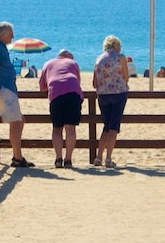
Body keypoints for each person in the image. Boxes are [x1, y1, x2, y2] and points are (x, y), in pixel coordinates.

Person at [0, 22, 32, 167]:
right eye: (11, 34)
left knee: (20, 120)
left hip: (7, 89)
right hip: (4, 89)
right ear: (3, 34)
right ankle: (17, 158)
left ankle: (17, 156)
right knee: (16, 122)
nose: (13, 37)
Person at [92, 36, 133, 168]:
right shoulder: (120, 57)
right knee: (114, 126)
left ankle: (98, 157)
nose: (120, 48)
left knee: (106, 125)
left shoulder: (98, 58)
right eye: (119, 45)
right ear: (115, 45)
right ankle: (108, 158)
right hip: (118, 93)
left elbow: (94, 83)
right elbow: (126, 78)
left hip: (102, 95)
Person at [40, 49, 83, 169]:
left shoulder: (48, 63)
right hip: (73, 92)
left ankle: (58, 158)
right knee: (70, 128)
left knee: (57, 127)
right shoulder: (73, 63)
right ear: (68, 56)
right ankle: (68, 159)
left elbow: (42, 87)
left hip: (56, 93)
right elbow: (78, 81)